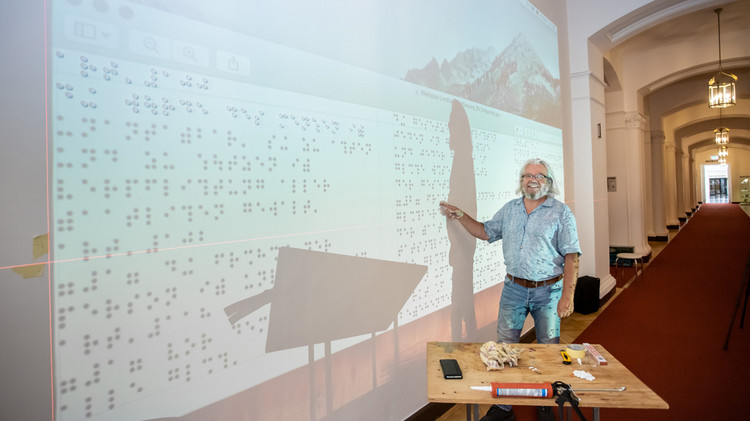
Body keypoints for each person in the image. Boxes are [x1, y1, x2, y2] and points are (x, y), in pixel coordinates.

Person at [440, 158, 581, 421]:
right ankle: (504, 408)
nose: (532, 179)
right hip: (513, 289)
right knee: (504, 349)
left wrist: (567, 296)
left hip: (548, 292)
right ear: (521, 182)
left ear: (549, 183)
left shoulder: (561, 212)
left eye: (539, 175)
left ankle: (546, 404)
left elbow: (572, 256)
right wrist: (460, 215)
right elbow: (485, 232)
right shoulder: (510, 210)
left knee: (547, 350)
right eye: (527, 175)